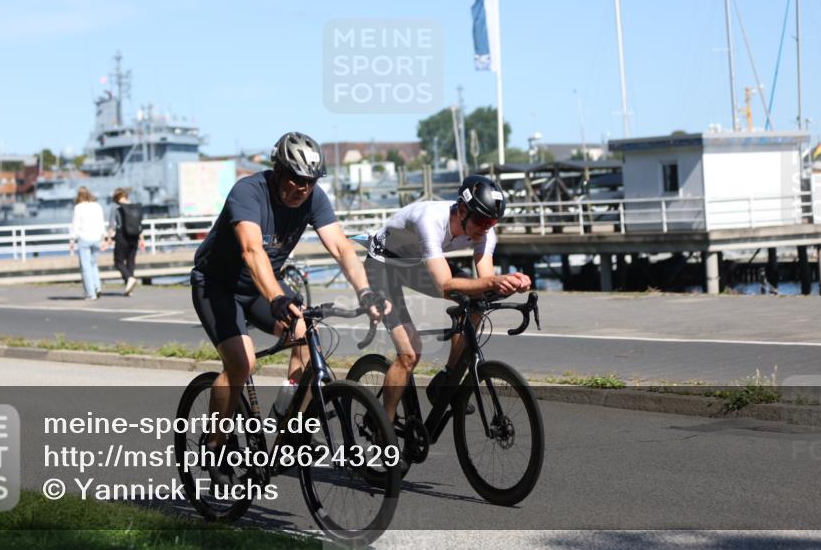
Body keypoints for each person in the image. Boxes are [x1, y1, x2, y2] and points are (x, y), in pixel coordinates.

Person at [191, 131, 389, 471]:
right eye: (297, 179)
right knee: (242, 363)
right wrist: (278, 297)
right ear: (279, 170)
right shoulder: (248, 192)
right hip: (217, 285)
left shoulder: (313, 198)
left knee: (306, 333)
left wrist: (365, 292)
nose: (304, 189)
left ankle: (289, 424)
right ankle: (214, 444)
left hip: (261, 287)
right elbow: (252, 251)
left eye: (311, 182)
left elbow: (341, 247)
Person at [363, 175, 532, 421]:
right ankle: (384, 427)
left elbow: (484, 283)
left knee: (476, 303)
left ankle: (446, 379)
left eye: (492, 222)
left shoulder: (485, 231)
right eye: (482, 220)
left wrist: (512, 284)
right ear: (462, 210)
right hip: (383, 264)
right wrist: (493, 281)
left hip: (414, 263)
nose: (487, 227)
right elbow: (444, 286)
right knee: (410, 353)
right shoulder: (430, 220)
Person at [107, 188, 146, 296]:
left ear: (116, 197)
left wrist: (109, 238)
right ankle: (130, 289)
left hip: (122, 235)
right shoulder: (133, 206)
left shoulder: (115, 206)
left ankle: (129, 278)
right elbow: (139, 224)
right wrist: (141, 238)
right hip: (135, 236)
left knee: (118, 261)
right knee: (130, 261)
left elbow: (112, 224)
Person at [70, 187, 106, 300]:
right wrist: (103, 238)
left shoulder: (78, 207)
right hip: (97, 239)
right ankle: (97, 287)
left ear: (78, 196)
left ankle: (91, 294)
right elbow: (101, 223)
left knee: (85, 267)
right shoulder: (97, 206)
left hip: (84, 239)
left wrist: (72, 239)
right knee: (93, 264)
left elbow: (75, 225)